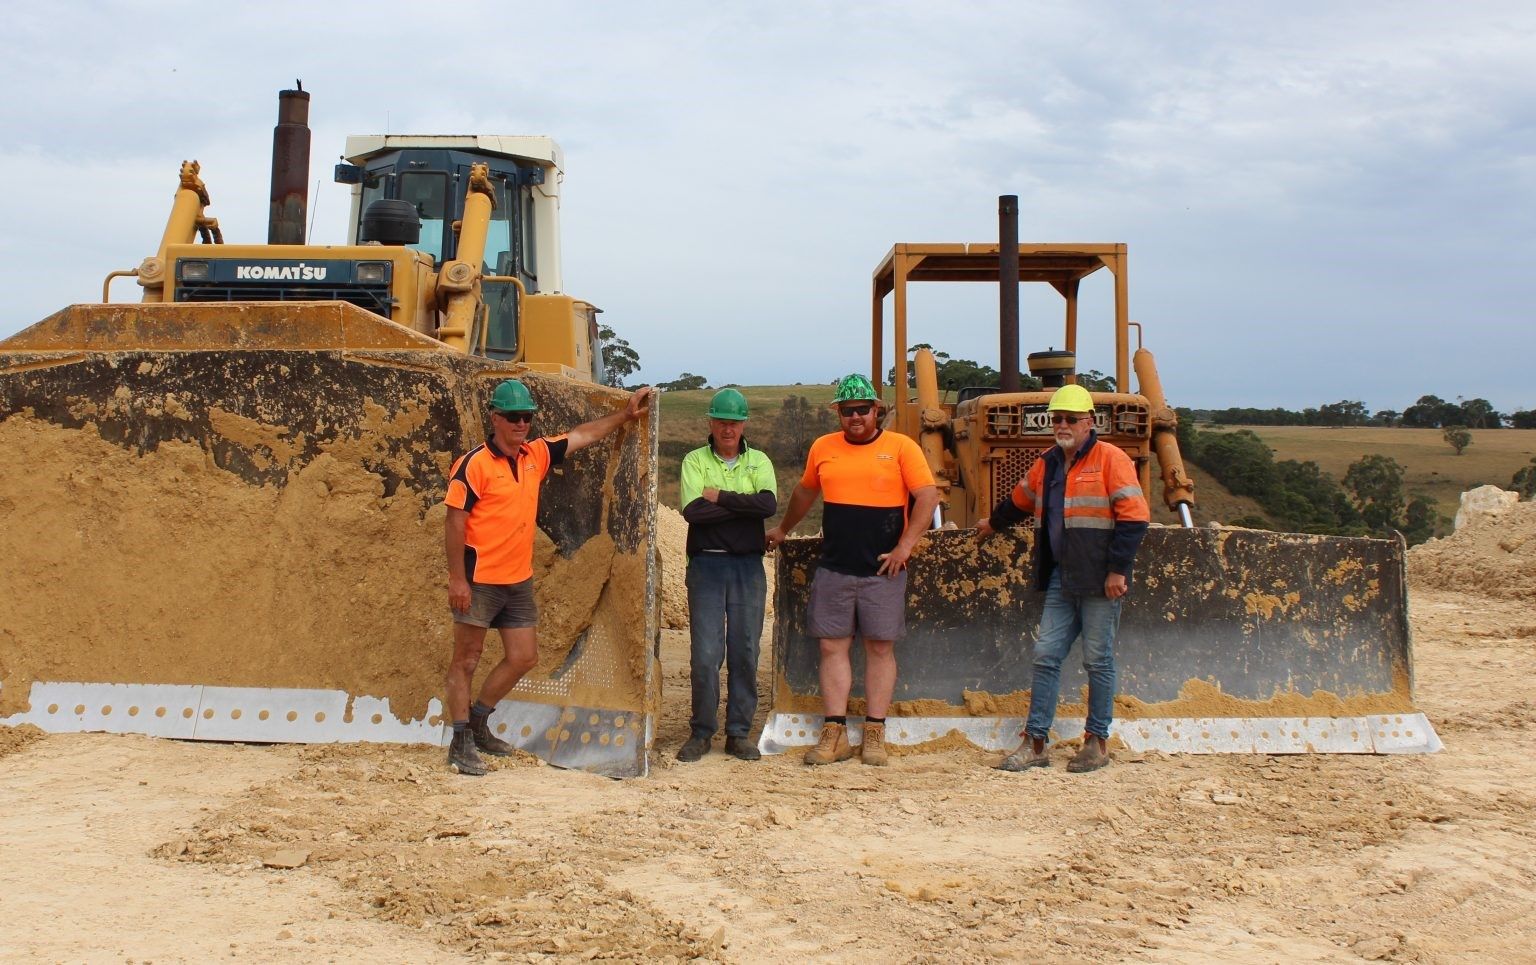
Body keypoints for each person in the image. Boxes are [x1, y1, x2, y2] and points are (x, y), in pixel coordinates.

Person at [442, 378, 653, 776]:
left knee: (524, 657)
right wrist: (458, 579)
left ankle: (478, 721)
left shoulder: (534, 456)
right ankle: (459, 741)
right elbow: (455, 522)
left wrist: (625, 415)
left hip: (517, 580)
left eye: (527, 417)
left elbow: (581, 435)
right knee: (466, 660)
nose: (522, 424)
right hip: (480, 578)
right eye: (514, 417)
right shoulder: (474, 464)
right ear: (495, 418)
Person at [765, 373, 940, 767]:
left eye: (863, 409)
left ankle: (875, 732)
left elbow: (927, 496)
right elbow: (805, 492)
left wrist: (905, 546)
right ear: (838, 414)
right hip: (835, 567)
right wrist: (783, 528)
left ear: (876, 410)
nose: (856, 417)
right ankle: (835, 732)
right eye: (848, 411)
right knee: (832, 646)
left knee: (879, 647)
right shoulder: (823, 448)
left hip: (883, 570)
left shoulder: (901, 448)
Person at [975, 383, 1149, 773]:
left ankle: (1097, 742)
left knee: (1097, 660)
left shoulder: (1112, 459)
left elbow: (1135, 518)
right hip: (1061, 577)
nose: (1063, 425)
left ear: (1090, 422)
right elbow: (1021, 499)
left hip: (1100, 579)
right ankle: (1036, 742)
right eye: (1058, 419)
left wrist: (1118, 570)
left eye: (1071, 419)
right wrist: (993, 523)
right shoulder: (1048, 463)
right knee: (1046, 656)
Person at [676, 388, 779, 763]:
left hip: (748, 567)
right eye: (722, 421)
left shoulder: (760, 461)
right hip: (705, 565)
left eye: (734, 422)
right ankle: (701, 731)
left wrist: (719, 497)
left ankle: (738, 733)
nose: (728, 428)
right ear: (711, 422)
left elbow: (768, 504)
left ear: (744, 424)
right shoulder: (694, 460)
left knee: (745, 651)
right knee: (705, 654)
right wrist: (744, 508)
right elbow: (693, 512)